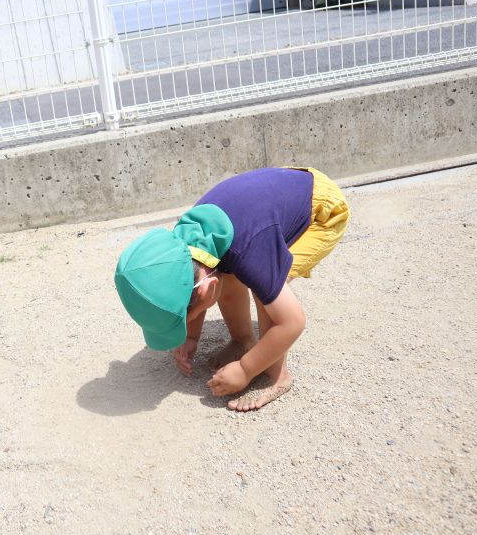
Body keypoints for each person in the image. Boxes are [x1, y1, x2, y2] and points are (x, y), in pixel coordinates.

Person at [114, 167, 350, 411]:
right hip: (274, 196)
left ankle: (276, 376)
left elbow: (292, 322)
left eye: (184, 323)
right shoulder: (182, 246)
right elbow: (196, 282)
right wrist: (192, 336)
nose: (185, 327)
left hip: (322, 210)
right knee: (228, 271)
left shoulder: (247, 249)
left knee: (265, 287)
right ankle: (243, 340)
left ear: (205, 290)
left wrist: (245, 369)